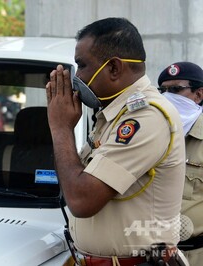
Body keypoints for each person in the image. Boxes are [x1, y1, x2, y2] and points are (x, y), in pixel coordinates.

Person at [46, 17, 189, 265]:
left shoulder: (146, 117)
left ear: (114, 68)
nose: (77, 76)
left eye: (82, 65)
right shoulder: (112, 115)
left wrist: (60, 128)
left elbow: (81, 200)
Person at [158, 62, 203, 266]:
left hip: (195, 255)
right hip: (150, 254)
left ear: (199, 95)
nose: (167, 97)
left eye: (176, 90)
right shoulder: (152, 136)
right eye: (163, 90)